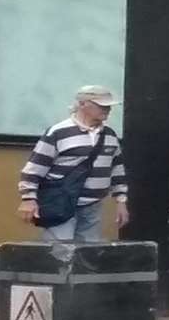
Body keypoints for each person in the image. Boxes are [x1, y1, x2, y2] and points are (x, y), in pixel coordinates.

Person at [17, 86, 128, 242]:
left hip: (93, 205)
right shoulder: (58, 132)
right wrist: (28, 199)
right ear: (82, 104)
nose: (107, 109)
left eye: (108, 106)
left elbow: (117, 169)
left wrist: (121, 201)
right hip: (60, 202)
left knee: (88, 254)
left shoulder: (109, 134)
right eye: (101, 105)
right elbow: (34, 168)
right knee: (60, 251)